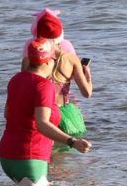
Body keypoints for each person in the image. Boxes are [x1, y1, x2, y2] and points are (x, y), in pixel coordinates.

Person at [1, 38, 93, 186]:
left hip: (8, 155)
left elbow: (7, 114)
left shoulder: (16, 79)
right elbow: (42, 124)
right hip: (30, 158)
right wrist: (72, 142)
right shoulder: (43, 85)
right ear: (49, 61)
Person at [27, 9, 94, 142]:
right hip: (64, 115)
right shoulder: (71, 59)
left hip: (40, 114)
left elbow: (25, 88)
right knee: (63, 155)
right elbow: (87, 93)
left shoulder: (30, 58)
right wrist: (88, 76)